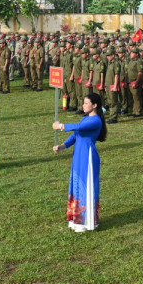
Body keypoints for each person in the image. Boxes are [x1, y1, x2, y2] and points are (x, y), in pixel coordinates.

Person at [52, 93, 107, 233]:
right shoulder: (85, 119)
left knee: (85, 185)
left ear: (94, 105)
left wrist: (61, 126)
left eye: (86, 103)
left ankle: (86, 221)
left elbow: (78, 128)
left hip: (88, 157)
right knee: (76, 184)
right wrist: (62, 146)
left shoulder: (96, 121)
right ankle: (76, 219)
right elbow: (75, 135)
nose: (83, 105)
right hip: (78, 156)